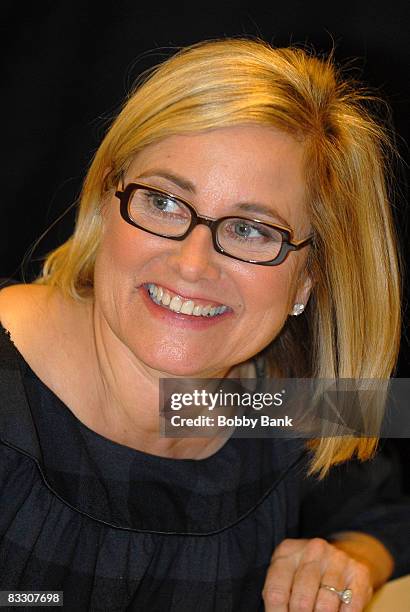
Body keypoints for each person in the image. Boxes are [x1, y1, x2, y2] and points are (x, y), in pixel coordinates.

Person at [0, 38, 408, 611]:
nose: (191, 264)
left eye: (250, 230)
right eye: (164, 202)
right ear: (103, 201)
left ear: (310, 280)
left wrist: (352, 561)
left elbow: (388, 514)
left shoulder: (282, 397)